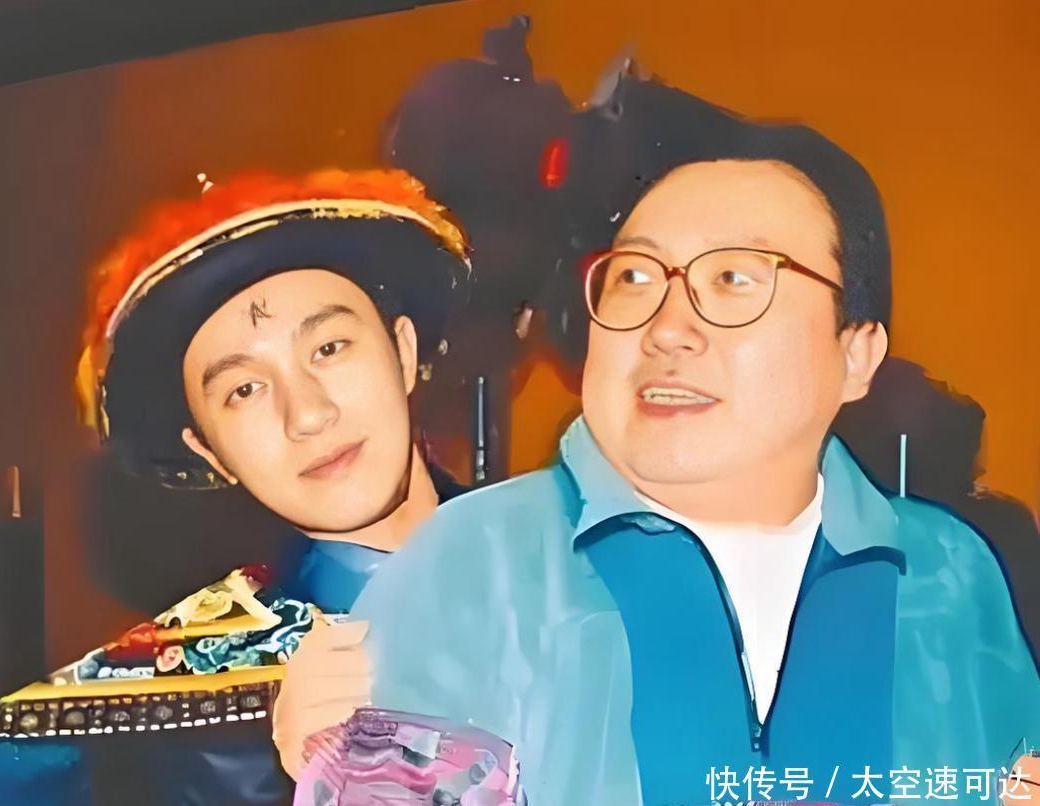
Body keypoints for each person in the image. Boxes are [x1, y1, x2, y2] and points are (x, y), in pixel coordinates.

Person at [283, 78, 1040, 804]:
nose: (667, 328)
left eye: (735, 279)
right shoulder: (469, 563)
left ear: (856, 355)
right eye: (636, 278)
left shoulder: (947, 570)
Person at [0, 168, 474, 805]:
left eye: (329, 348)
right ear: (209, 451)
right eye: (244, 390)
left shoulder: (557, 551)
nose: (307, 414)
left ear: (402, 352)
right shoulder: (186, 686)